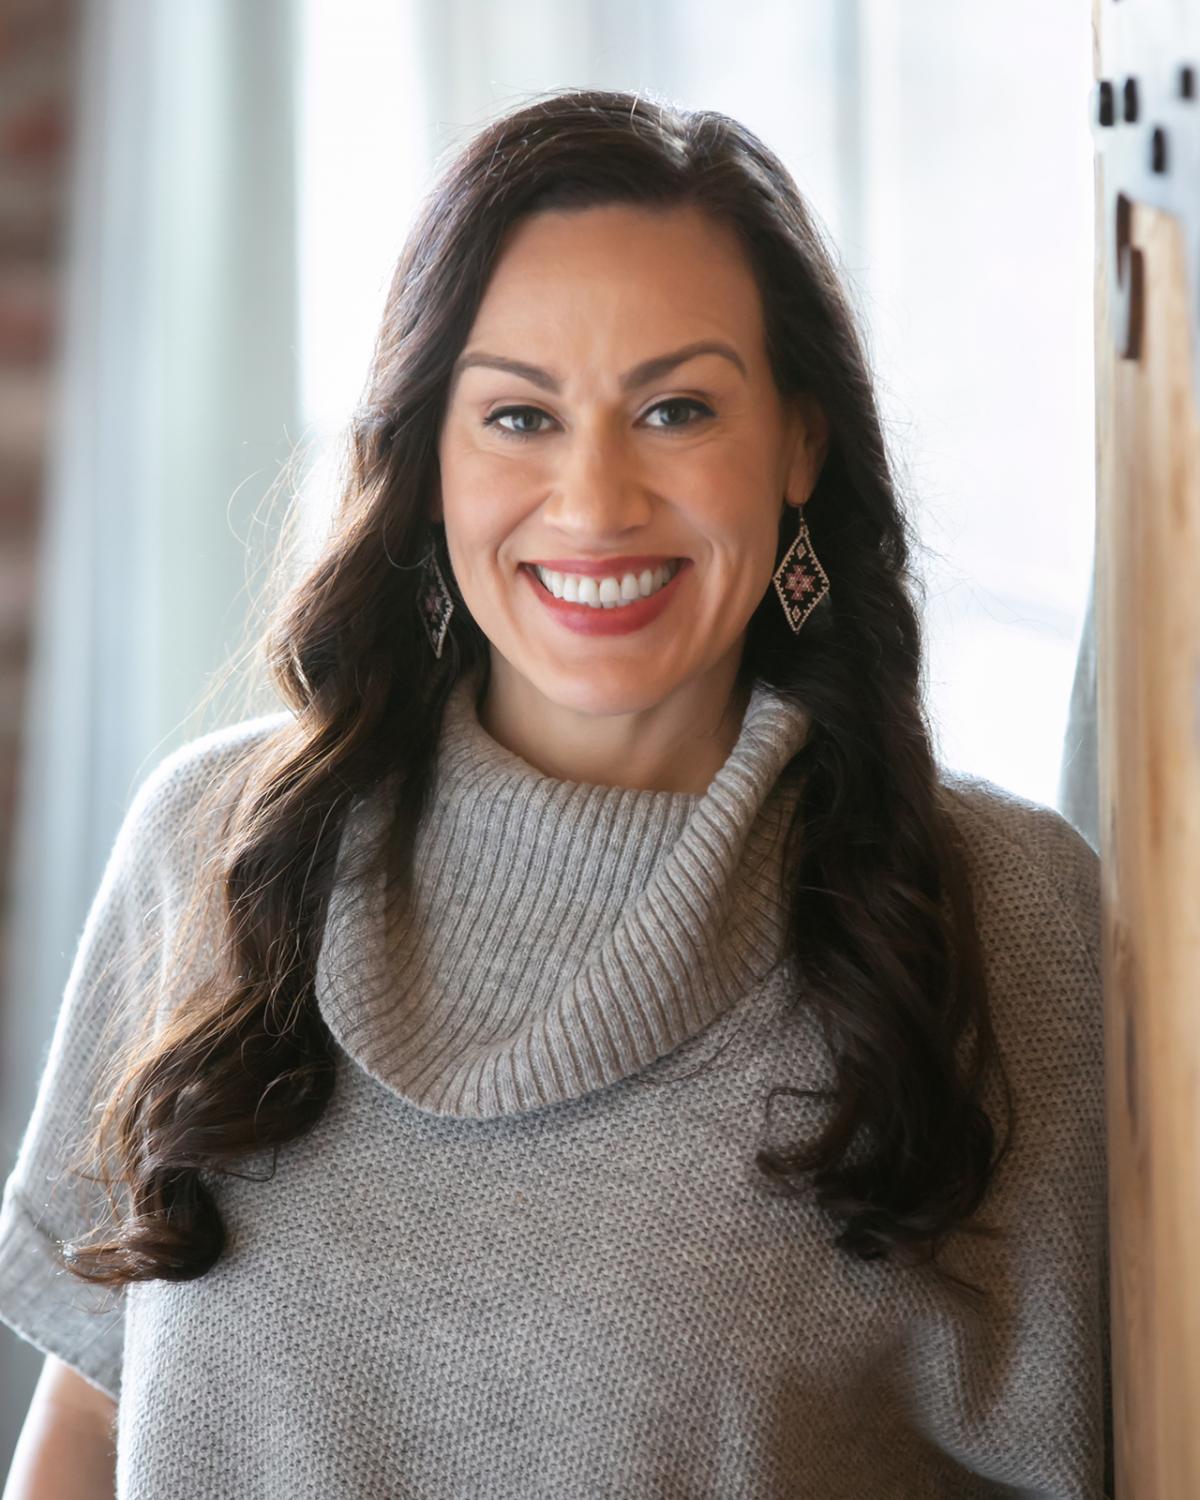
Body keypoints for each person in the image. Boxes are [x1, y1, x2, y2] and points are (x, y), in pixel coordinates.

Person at [0, 86, 1110, 1498]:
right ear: (428, 460)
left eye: (675, 408)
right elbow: (93, 1423)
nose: (594, 500)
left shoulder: (997, 918)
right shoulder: (215, 848)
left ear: (800, 443)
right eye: (520, 415)